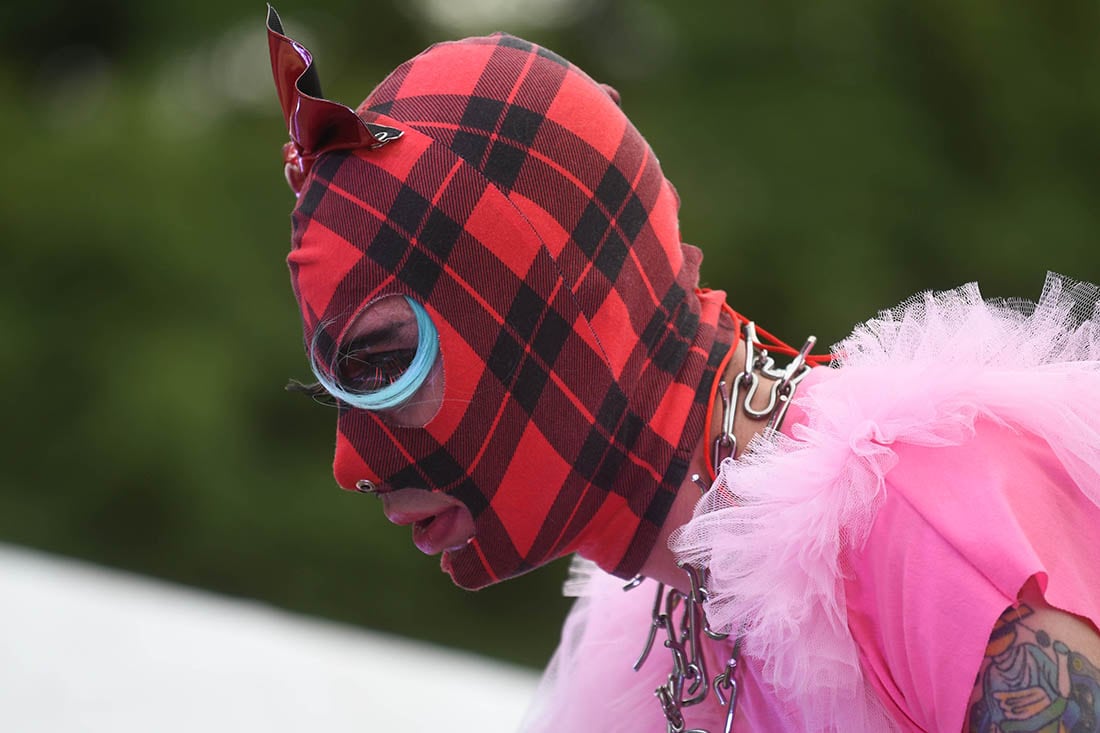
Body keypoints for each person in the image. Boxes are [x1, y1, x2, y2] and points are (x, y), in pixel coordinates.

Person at [265, 7, 1100, 731]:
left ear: (557, 304)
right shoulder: (641, 654)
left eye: (383, 363)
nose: (350, 464)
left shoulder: (902, 518)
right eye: (337, 381)